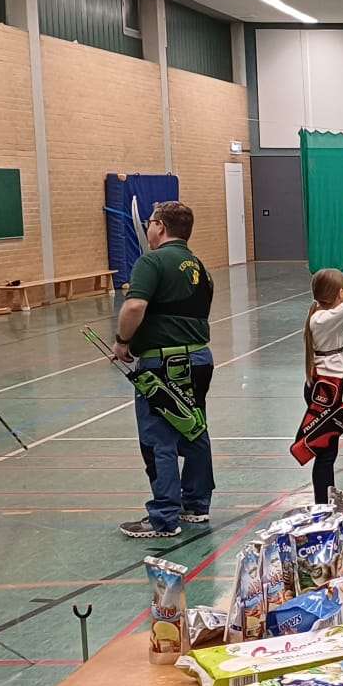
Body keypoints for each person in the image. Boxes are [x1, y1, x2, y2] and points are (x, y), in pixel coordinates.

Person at [113, 202, 216, 538]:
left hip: (164, 365)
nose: (147, 228)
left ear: (159, 226)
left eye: (149, 223)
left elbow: (135, 305)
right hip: (199, 359)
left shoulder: (152, 261)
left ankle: (164, 517)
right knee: (193, 427)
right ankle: (196, 504)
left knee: (159, 438)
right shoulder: (200, 266)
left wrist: (122, 341)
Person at [300, 267, 343, 506]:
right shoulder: (320, 318)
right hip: (325, 391)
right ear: (339, 293)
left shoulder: (324, 313)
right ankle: (323, 504)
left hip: (328, 386)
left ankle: (327, 497)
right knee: (325, 453)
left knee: (329, 450)